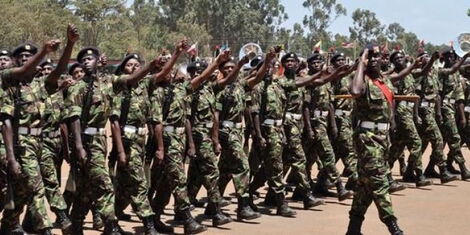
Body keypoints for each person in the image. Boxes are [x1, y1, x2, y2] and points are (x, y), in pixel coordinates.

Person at [0, 36, 64, 235]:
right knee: (32, 186)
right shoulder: (8, 80)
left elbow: (59, 71)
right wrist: (11, 157)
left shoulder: (39, 84)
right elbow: (6, 121)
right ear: (15, 60)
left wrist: (69, 44)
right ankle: (46, 228)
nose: (26, 59)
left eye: (30, 55)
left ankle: (9, 222)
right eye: (21, 56)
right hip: (15, 143)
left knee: (22, 187)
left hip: (37, 142)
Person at [65, 46, 127, 234]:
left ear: (98, 60)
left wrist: (152, 66)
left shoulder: (105, 84)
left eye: (90, 59)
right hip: (85, 141)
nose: (86, 62)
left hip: (100, 140)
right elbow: (74, 118)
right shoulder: (77, 86)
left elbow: (129, 79)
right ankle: (111, 226)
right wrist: (78, 146)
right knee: (104, 184)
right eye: (83, 60)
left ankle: (76, 225)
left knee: (84, 190)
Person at [347, 44, 403, 235]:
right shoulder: (362, 80)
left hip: (383, 139)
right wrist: (360, 63)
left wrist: (393, 125)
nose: (373, 59)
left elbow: (391, 105)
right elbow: (355, 92)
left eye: (376, 56)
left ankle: (353, 229)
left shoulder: (385, 80)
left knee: (365, 184)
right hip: (368, 140)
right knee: (379, 183)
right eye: (369, 57)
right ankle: (394, 228)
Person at [215, 49, 276, 221]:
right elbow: (216, 116)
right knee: (243, 167)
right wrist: (216, 138)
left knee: (225, 170)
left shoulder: (240, 85)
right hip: (225, 132)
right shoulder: (220, 88)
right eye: (226, 68)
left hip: (237, 131)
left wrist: (267, 60)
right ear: (221, 70)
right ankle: (243, 207)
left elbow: (257, 77)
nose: (229, 69)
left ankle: (213, 207)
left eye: (232, 67)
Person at [302, 51, 354, 201]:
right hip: (314, 123)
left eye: (319, 63)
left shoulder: (326, 81)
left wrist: (333, 125)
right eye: (313, 63)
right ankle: (339, 187)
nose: (316, 65)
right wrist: (310, 128)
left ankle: (305, 189)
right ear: (309, 65)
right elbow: (306, 107)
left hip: (323, 123)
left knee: (309, 158)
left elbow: (329, 105)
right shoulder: (309, 81)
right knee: (328, 155)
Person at [388, 49, 433, 187]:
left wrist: (432, 60)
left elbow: (422, 73)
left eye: (401, 57)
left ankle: (386, 172)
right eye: (396, 58)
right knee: (416, 142)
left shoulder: (409, 74)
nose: (399, 59)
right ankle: (419, 175)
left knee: (397, 146)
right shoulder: (395, 76)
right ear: (393, 62)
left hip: (409, 110)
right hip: (401, 111)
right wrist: (393, 119)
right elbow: (393, 100)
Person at [413, 49, 459, 183]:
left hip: (432, 111)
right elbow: (415, 96)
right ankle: (444, 171)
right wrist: (416, 115)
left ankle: (410, 170)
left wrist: (438, 113)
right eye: (424, 57)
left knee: (421, 144)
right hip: (424, 110)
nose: (427, 58)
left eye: (428, 56)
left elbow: (437, 96)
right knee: (438, 139)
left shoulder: (434, 73)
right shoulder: (418, 74)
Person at [437, 48, 470, 180]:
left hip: (454, 108)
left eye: (453, 56)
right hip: (445, 108)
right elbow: (438, 95)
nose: (451, 58)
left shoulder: (456, 75)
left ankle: (428, 168)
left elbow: (459, 97)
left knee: (443, 141)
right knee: (454, 138)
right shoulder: (441, 73)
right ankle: (463, 168)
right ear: (443, 58)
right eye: (448, 57)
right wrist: (438, 112)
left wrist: (462, 117)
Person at [330, 52, 359, 191]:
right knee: (348, 149)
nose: (341, 61)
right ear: (333, 63)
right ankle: (355, 179)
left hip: (348, 117)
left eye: (343, 59)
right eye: (338, 60)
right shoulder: (332, 76)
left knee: (336, 151)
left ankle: (322, 181)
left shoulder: (349, 76)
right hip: (338, 117)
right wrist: (353, 67)